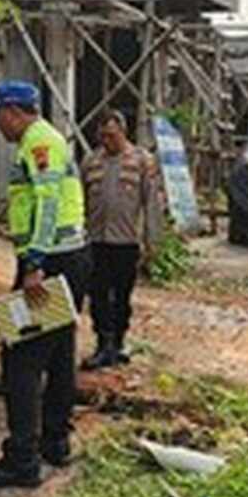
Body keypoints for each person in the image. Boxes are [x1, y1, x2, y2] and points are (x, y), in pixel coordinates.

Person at [0, 80, 91, 488]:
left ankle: (21, 459)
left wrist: (35, 263)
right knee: (58, 353)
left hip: (50, 260)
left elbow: (48, 202)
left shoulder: (39, 142)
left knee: (20, 358)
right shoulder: (47, 140)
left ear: (13, 111)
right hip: (67, 257)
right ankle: (55, 442)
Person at [80, 110, 163, 370]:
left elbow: (152, 203)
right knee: (98, 295)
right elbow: (80, 200)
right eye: (103, 136)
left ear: (123, 132)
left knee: (122, 296)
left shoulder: (142, 161)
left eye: (112, 136)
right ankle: (103, 344)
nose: (107, 141)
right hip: (97, 241)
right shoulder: (91, 161)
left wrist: (152, 242)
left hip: (126, 243)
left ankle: (118, 342)